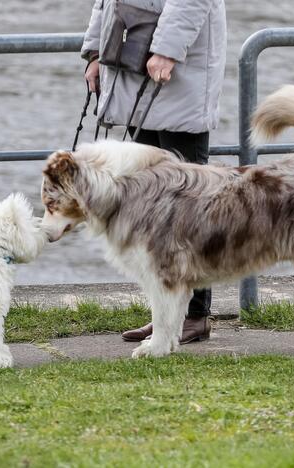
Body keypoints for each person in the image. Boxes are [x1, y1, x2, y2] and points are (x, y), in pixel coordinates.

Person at [82, 0, 227, 344]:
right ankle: (166, 317)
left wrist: (166, 50)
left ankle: (194, 315)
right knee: (150, 207)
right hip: (139, 65)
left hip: (174, 67)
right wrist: (94, 52)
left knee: (189, 206)